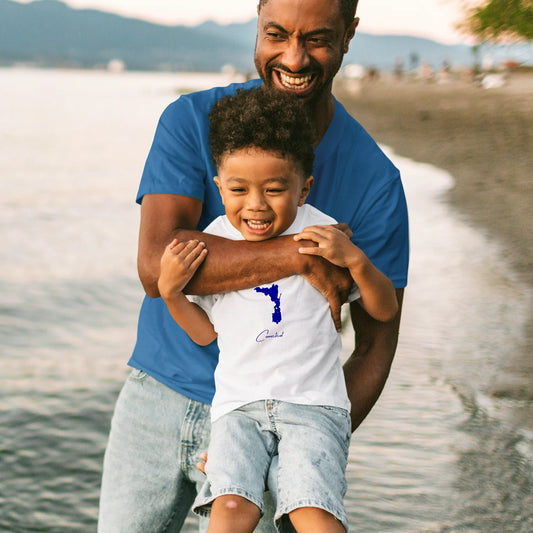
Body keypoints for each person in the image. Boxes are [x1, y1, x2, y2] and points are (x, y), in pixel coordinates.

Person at [98, 0, 409, 531]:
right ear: (258, 26)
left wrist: (308, 444)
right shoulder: (191, 121)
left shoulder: (375, 180)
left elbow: (378, 338)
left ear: (349, 34)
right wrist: (298, 256)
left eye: (316, 38)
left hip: (281, 419)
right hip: (157, 397)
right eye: (277, 34)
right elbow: (156, 268)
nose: (294, 56)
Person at [158, 87, 399, 533]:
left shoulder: (325, 235)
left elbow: (383, 311)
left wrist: (357, 262)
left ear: (303, 187)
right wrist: (172, 294)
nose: (255, 204)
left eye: (273, 189)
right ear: (219, 186)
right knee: (230, 510)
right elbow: (205, 334)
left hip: (313, 406)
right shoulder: (212, 242)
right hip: (238, 409)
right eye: (238, 189)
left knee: (313, 512)